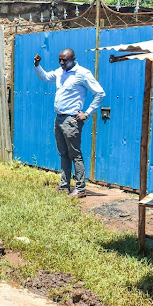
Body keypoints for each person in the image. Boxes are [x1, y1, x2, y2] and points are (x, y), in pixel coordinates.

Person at [34, 48, 105, 198]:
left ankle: (80, 189)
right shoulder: (60, 72)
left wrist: (87, 113)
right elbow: (46, 77)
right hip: (59, 118)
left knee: (75, 154)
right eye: (59, 60)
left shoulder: (82, 73)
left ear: (73, 59)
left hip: (72, 120)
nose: (61, 63)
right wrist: (37, 65)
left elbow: (99, 93)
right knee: (63, 153)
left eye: (64, 60)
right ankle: (64, 185)